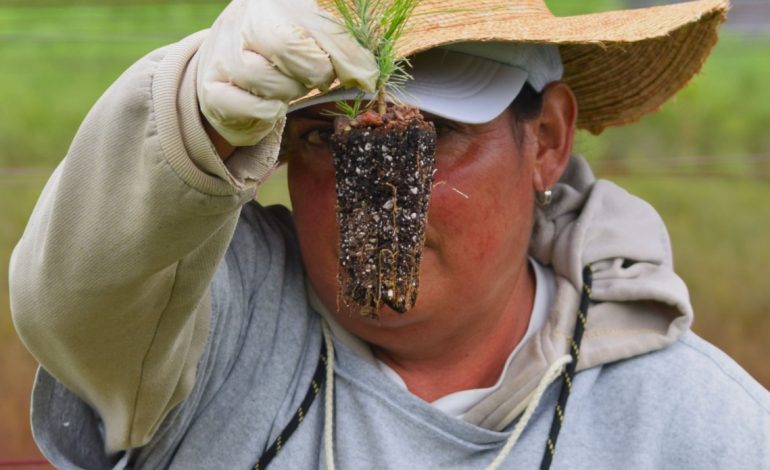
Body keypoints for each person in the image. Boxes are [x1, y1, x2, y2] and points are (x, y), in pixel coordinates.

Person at [9, 0, 770, 468]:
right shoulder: (208, 329)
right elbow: (76, 297)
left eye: (431, 134)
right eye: (318, 138)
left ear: (546, 138)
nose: (366, 192)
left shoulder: (703, 432)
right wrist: (187, 116)